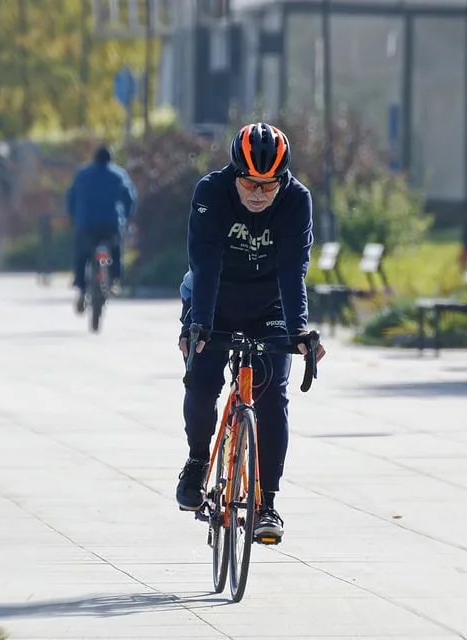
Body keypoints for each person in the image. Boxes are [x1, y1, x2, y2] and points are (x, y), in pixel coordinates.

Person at [175, 122, 327, 542]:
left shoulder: (297, 200)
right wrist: (198, 324)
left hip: (269, 303)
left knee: (272, 394)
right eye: (249, 183)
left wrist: (298, 331)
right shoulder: (211, 193)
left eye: (269, 184)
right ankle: (196, 460)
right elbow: (205, 264)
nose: (258, 194)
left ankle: (268, 502)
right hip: (215, 296)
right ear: (234, 173)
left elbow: (293, 270)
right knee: (202, 382)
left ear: (283, 180)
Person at [65, 144, 137, 312]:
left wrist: (74, 217)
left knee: (81, 255)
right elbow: (130, 199)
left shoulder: (82, 174)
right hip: (111, 224)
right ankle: (114, 280)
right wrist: (125, 216)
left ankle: (81, 287)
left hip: (86, 224)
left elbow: (71, 197)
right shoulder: (119, 175)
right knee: (116, 250)